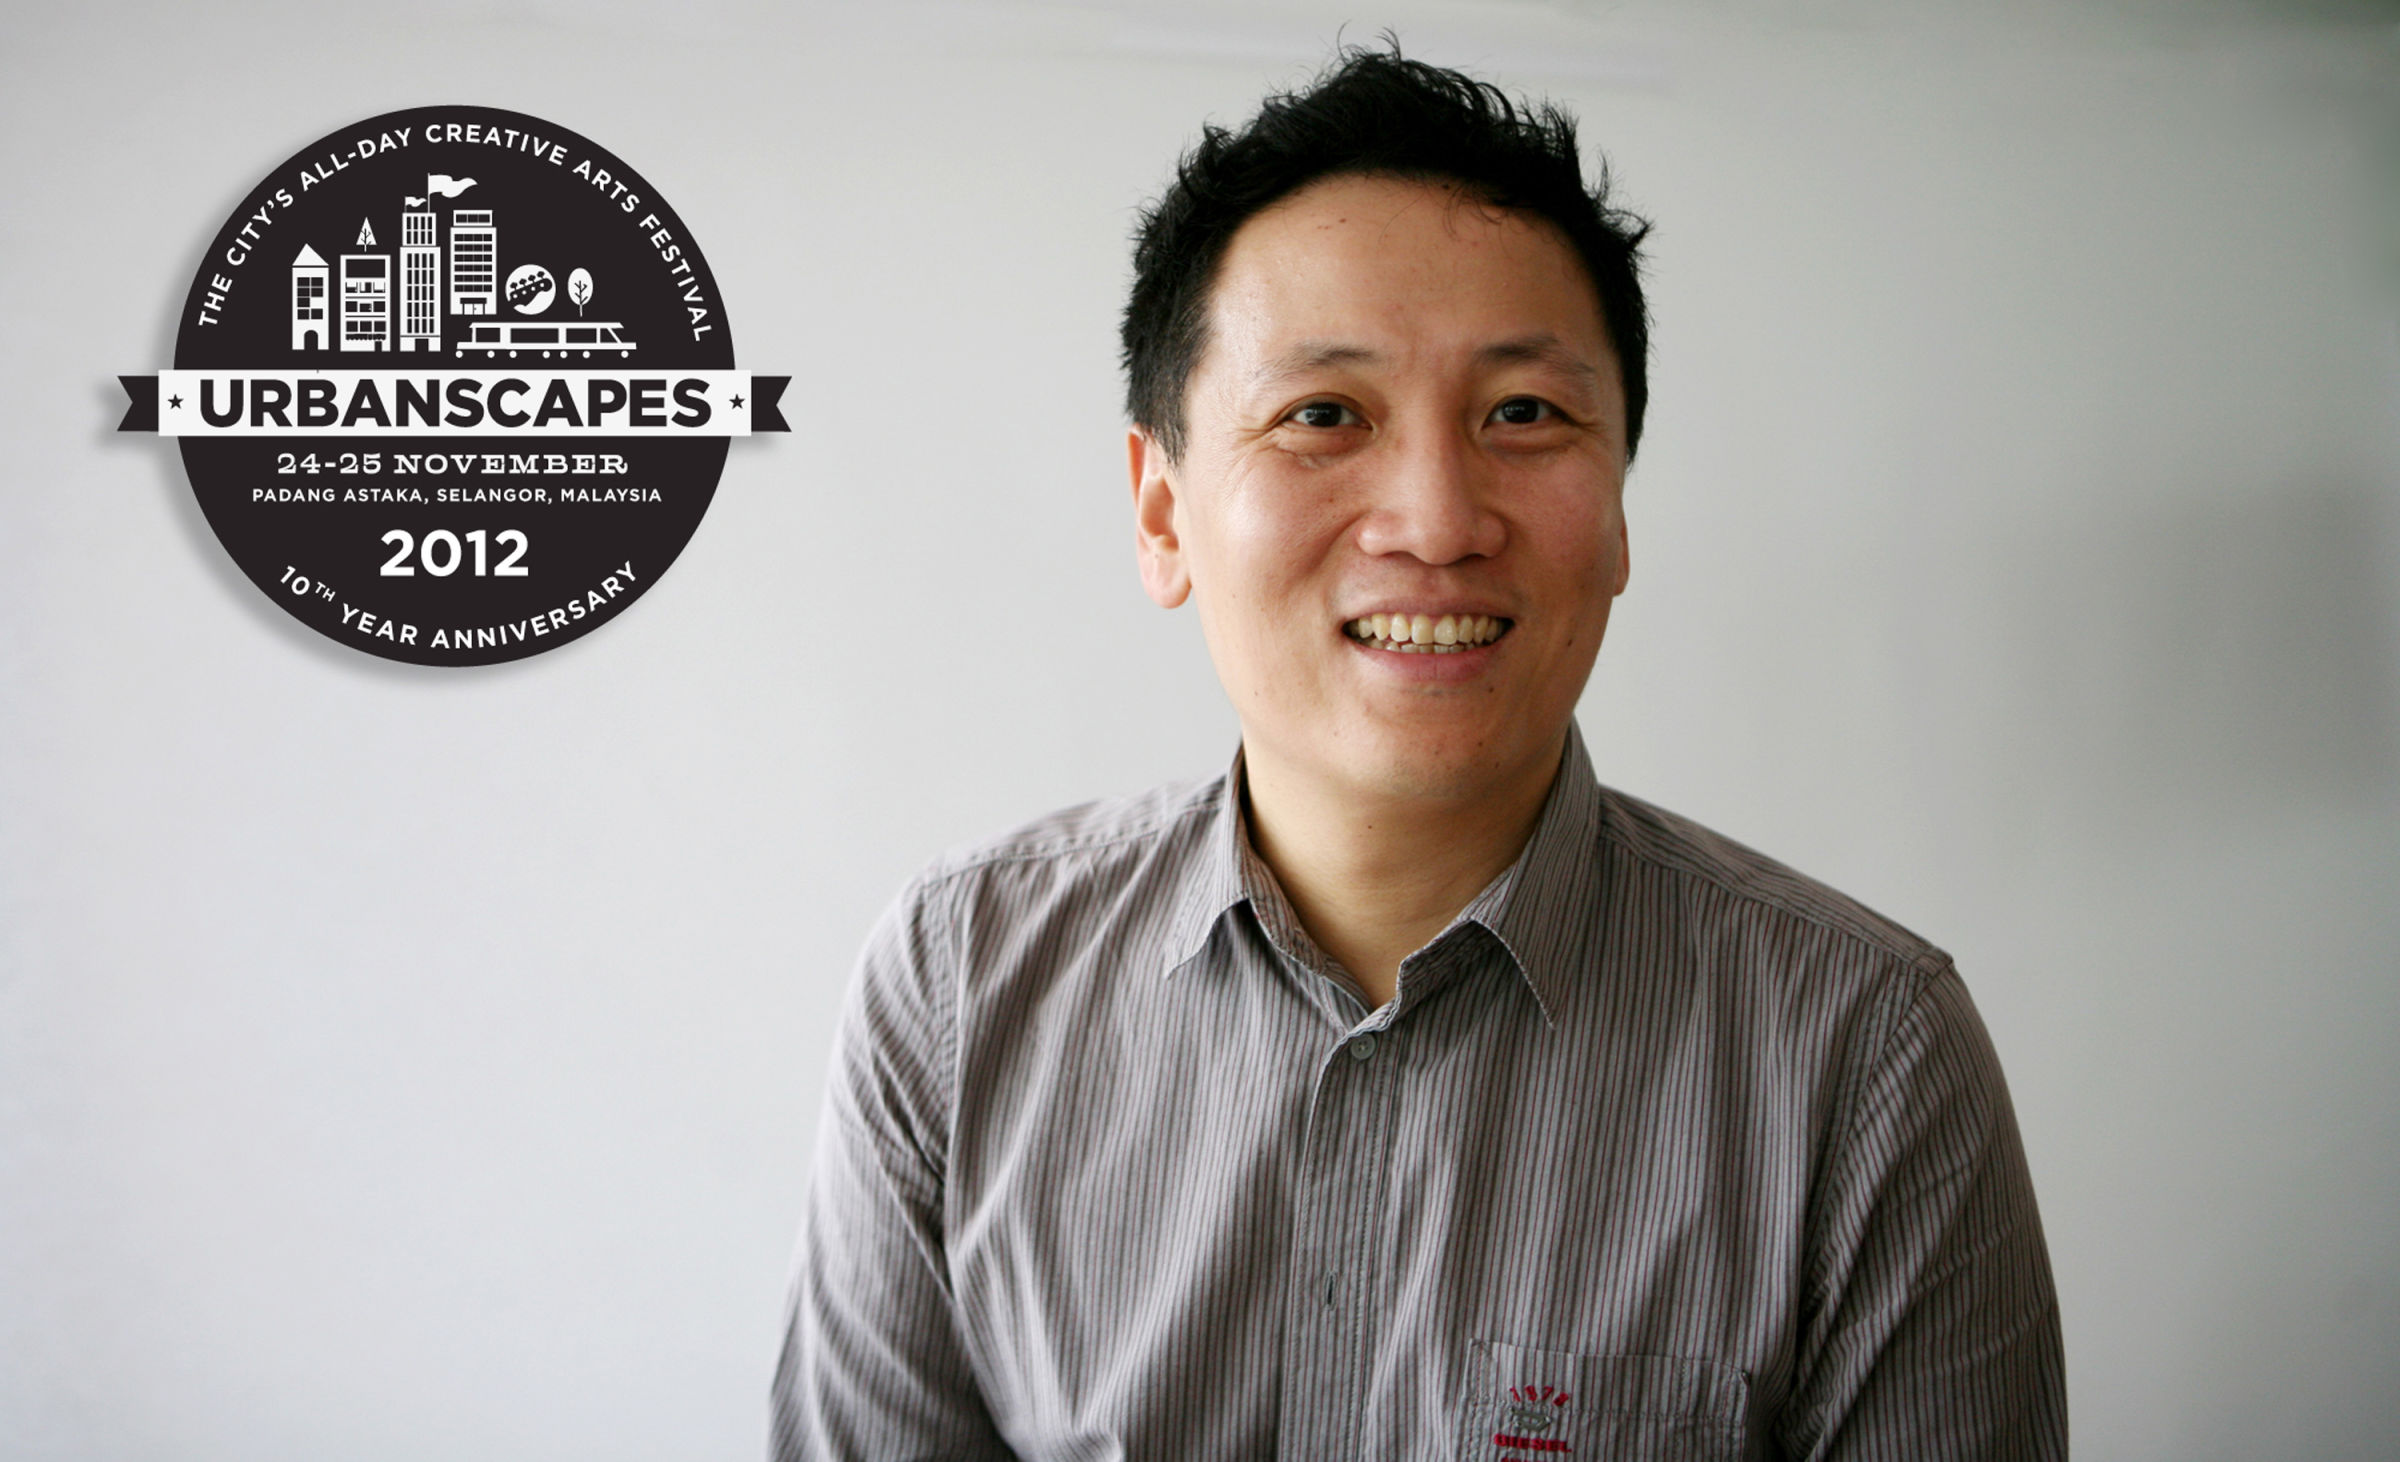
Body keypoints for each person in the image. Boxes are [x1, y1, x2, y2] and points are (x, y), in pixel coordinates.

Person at [773, 44, 2064, 1461]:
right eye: (1324, 415)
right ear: (1162, 512)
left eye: (1524, 414)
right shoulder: (959, 987)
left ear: (1619, 507)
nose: (1438, 520)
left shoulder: (1866, 1052)